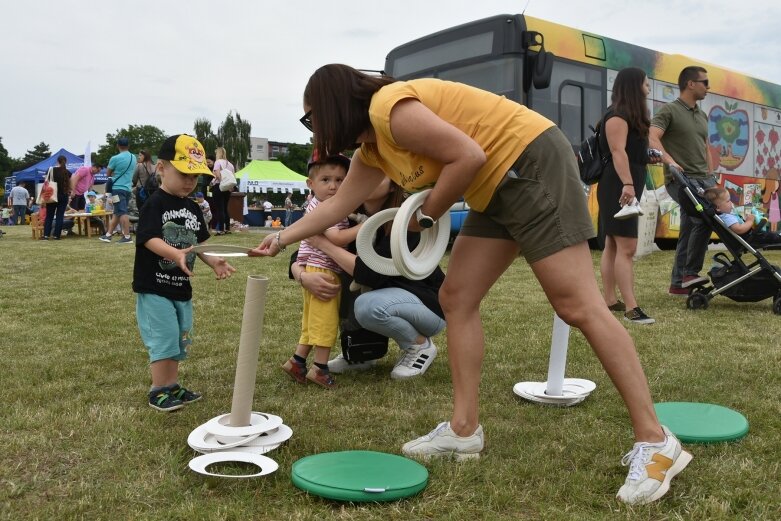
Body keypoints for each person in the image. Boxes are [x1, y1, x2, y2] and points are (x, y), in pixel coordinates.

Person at [254, 64, 690, 504]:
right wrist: (281, 237)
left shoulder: (390, 110)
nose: (315, 131)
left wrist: (426, 215)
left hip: (530, 161)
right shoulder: (373, 152)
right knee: (456, 297)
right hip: (494, 187)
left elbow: (468, 155)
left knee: (577, 306)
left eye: (313, 119)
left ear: (333, 107)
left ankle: (655, 442)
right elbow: (336, 207)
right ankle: (463, 431)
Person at [299, 176, 445, 379]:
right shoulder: (347, 214)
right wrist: (303, 275)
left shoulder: (406, 219)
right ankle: (362, 352)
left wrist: (323, 244)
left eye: (376, 175)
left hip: (427, 306)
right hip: (389, 297)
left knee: (367, 305)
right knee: (336, 280)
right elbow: (303, 250)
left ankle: (419, 345)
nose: (365, 178)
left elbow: (370, 274)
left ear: (393, 183)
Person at [133, 134, 235, 411]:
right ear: (162, 168)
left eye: (195, 176)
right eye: (184, 173)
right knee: (163, 336)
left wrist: (212, 260)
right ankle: (158, 389)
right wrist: (175, 253)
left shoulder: (192, 207)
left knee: (180, 338)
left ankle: (172, 385)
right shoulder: (155, 203)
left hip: (181, 287)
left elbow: (198, 244)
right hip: (155, 285)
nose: (190, 182)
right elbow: (147, 238)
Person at [280, 153, 362, 389]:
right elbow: (336, 237)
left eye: (340, 180)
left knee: (312, 321)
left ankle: (297, 361)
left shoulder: (318, 204)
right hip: (323, 269)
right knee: (326, 321)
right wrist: (364, 226)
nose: (333, 186)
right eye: (326, 180)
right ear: (310, 183)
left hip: (311, 267)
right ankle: (320, 368)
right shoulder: (326, 207)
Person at [598, 68, 660, 325]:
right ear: (635, 86)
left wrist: (653, 157)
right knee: (627, 247)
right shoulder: (617, 115)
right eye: (646, 84)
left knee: (613, 244)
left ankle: (610, 300)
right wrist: (627, 184)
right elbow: (617, 152)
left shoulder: (630, 116)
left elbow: (632, 152)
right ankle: (631, 308)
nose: (648, 89)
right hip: (619, 185)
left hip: (624, 183)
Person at [649, 66, 715, 295]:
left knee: (690, 227)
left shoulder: (702, 114)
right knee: (703, 219)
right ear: (690, 84)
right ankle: (690, 273)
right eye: (704, 82)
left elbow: (705, 146)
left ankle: (678, 283)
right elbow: (652, 137)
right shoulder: (669, 111)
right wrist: (670, 162)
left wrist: (711, 175)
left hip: (704, 180)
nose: (708, 87)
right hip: (680, 179)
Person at [704, 187, 781, 246]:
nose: (731, 203)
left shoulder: (726, 215)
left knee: (770, 235)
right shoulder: (727, 217)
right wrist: (749, 221)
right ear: (718, 208)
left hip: (747, 238)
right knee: (771, 236)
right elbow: (739, 229)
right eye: (728, 201)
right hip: (748, 239)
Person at [99, 137, 137, 244]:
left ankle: (127, 236)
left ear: (118, 146)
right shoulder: (133, 157)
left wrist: (115, 173)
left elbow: (108, 173)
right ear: (128, 146)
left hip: (117, 189)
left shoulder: (114, 158)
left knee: (122, 212)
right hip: (128, 189)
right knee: (117, 211)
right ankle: (108, 235)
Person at [42, 156, 72, 240]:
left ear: (57, 161)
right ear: (65, 162)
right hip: (63, 196)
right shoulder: (67, 172)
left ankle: (46, 235)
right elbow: (70, 184)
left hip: (52, 194)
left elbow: (46, 181)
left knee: (49, 216)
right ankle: (57, 235)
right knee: (60, 216)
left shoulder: (51, 170)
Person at [210, 147, 235, 235]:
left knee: (219, 208)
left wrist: (221, 181)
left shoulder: (218, 162)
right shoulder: (230, 164)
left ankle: (221, 229)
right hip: (228, 188)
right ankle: (227, 228)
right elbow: (233, 176)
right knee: (225, 208)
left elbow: (216, 173)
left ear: (218, 153)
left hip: (219, 186)